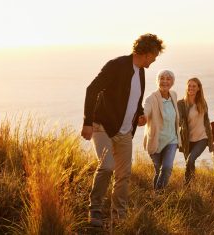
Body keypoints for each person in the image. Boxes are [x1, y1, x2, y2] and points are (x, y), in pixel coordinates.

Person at [81, 33, 165, 226]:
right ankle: (94, 210)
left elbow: (133, 99)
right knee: (107, 166)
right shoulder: (116, 65)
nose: (154, 59)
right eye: (154, 55)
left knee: (124, 174)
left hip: (125, 132)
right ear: (147, 53)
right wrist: (87, 122)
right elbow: (91, 89)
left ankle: (119, 215)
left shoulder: (141, 71)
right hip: (102, 126)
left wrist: (140, 114)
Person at [142, 70, 181, 190]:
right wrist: (143, 117)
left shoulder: (173, 95)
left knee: (167, 167)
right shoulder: (151, 99)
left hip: (171, 140)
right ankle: (157, 196)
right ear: (157, 81)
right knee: (159, 171)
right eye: (162, 78)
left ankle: (159, 194)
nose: (165, 81)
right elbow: (145, 111)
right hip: (156, 141)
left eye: (168, 79)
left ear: (172, 82)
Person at [177, 77, 213, 184]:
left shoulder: (202, 102)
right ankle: (192, 186)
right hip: (187, 140)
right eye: (189, 86)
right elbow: (178, 122)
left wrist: (211, 138)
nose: (191, 88)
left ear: (198, 88)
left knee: (190, 159)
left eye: (194, 86)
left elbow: (206, 120)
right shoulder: (181, 104)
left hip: (202, 138)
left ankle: (186, 185)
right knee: (189, 164)